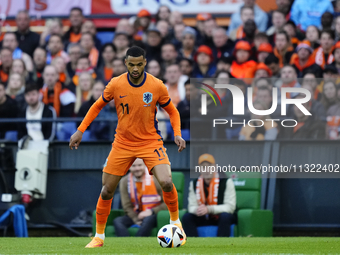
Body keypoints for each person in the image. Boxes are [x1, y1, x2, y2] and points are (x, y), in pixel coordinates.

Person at [69, 46, 187, 248]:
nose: (135, 68)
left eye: (139, 64)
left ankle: (176, 223)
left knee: (167, 182)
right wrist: (80, 130)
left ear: (144, 63)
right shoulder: (115, 84)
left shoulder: (156, 85)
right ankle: (98, 237)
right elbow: (97, 105)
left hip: (150, 142)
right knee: (106, 190)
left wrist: (177, 133)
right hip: (123, 143)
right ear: (125, 63)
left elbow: (173, 112)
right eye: (131, 64)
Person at [182, 154, 236, 237]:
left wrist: (209, 209)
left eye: (209, 167)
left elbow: (230, 207)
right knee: (187, 217)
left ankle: (221, 246)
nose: (207, 170)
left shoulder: (226, 182)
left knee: (225, 217)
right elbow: (191, 207)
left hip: (220, 217)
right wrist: (198, 210)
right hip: (204, 217)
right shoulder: (194, 183)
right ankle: (193, 246)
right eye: (203, 167)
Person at [113, 158, 167, 237]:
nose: (137, 168)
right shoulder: (124, 181)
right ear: (129, 167)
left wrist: (151, 211)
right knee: (117, 221)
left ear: (145, 165)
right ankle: (126, 244)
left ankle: (137, 244)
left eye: (140, 165)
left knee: (148, 220)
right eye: (134, 166)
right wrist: (136, 219)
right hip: (135, 214)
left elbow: (167, 202)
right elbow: (126, 206)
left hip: (154, 214)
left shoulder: (156, 178)